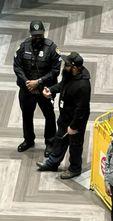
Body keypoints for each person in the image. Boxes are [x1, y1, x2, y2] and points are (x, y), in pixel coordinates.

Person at [36, 52, 91, 179]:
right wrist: (51, 89)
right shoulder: (69, 74)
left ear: (75, 68)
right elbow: (62, 85)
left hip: (76, 120)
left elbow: (81, 110)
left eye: (66, 65)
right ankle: (52, 163)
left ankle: (75, 169)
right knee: (59, 139)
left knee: (75, 145)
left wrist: (73, 126)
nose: (64, 67)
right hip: (65, 115)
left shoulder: (83, 86)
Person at [13, 20, 61, 157]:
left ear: (44, 33)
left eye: (40, 35)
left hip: (44, 89)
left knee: (49, 116)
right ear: (30, 34)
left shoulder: (52, 48)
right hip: (26, 89)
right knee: (26, 115)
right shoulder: (23, 46)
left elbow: (55, 70)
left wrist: (38, 82)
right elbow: (17, 66)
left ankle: (50, 142)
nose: (37, 38)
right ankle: (28, 140)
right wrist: (27, 82)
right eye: (35, 35)